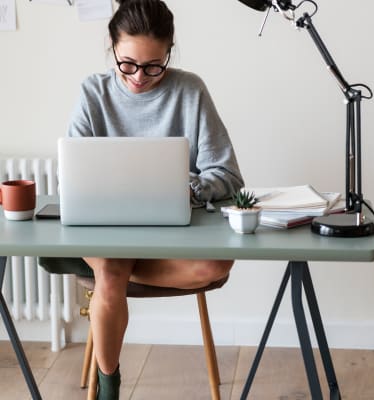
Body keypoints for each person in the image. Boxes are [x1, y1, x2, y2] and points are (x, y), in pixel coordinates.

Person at [68, 0, 244, 398]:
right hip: (106, 227)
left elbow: (228, 175)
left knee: (215, 265)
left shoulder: (190, 90)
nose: (138, 77)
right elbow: (74, 174)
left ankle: (113, 269)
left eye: (153, 66)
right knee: (111, 273)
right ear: (112, 47)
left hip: (171, 232)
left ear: (169, 53)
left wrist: (189, 188)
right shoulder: (92, 93)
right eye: (127, 64)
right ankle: (110, 385)